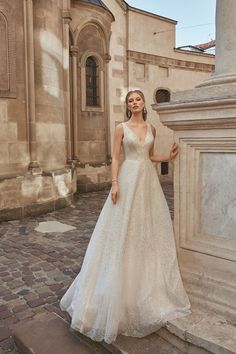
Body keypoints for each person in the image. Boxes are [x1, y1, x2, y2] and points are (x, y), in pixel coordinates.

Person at [60, 90, 191, 344]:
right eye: (130, 100)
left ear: (143, 103)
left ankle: (145, 286)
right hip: (128, 182)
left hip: (148, 184)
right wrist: (115, 183)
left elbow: (149, 157)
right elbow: (117, 157)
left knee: (147, 231)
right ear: (128, 106)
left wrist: (167, 157)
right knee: (122, 231)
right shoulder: (121, 127)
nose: (134, 103)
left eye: (138, 99)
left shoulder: (152, 127)